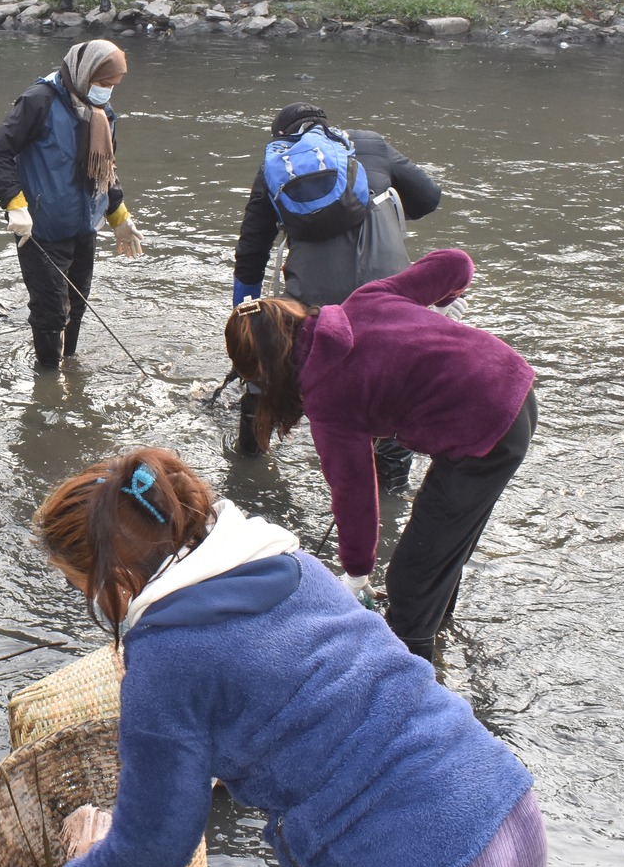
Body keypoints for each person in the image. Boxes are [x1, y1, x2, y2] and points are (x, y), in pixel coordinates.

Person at [34, 448, 544, 867]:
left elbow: (156, 843)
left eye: (83, 587)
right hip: (510, 817)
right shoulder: (291, 563)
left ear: (118, 581)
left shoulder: (166, 658)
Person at [224, 249, 538, 664]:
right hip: (514, 381)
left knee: (409, 581)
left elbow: (354, 493)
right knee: (440, 545)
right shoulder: (366, 298)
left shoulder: (327, 399)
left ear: (266, 370)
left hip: (485, 431)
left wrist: (356, 573)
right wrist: (444, 301)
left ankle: (418, 676)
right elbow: (455, 264)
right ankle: (438, 634)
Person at [231, 101, 443, 481]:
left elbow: (251, 251)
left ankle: (249, 459)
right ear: (327, 128)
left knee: (268, 367)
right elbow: (429, 198)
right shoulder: (372, 145)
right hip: (390, 295)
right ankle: (388, 487)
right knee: (392, 382)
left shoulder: (276, 169)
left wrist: (243, 319)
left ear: (282, 139)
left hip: (314, 304)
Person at [0, 39, 143, 374]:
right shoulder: (38, 101)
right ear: (85, 74)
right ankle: (48, 378)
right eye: (103, 83)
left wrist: (119, 217)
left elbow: (107, 171)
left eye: (113, 85)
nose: (107, 91)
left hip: (84, 227)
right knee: (51, 310)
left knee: (78, 302)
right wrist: (15, 205)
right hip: (41, 228)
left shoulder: (102, 112)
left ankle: (68, 363)